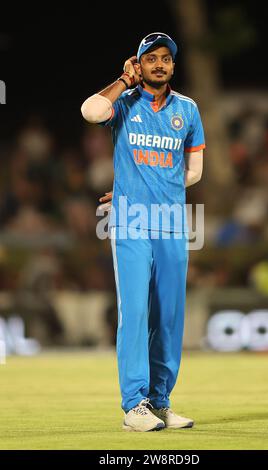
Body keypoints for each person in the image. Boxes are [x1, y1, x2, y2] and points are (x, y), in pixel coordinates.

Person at [81, 32, 205, 432]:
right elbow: (90, 111)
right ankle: (134, 405)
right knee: (135, 312)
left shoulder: (188, 109)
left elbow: (194, 171)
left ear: (172, 65)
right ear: (138, 63)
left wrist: (154, 184)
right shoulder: (125, 102)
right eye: (150, 58)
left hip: (172, 224)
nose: (159, 63)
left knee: (168, 316)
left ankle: (160, 402)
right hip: (130, 222)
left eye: (166, 58)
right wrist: (122, 81)